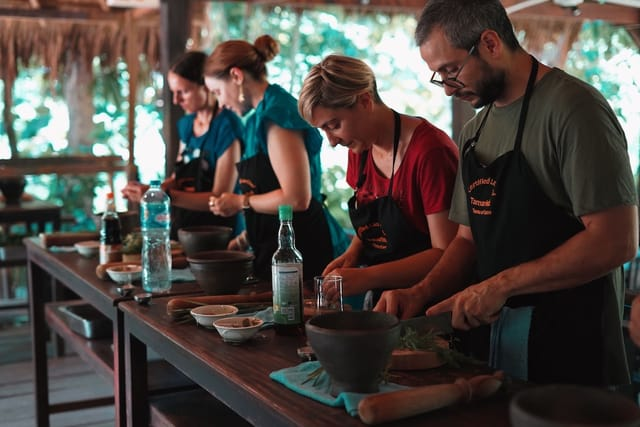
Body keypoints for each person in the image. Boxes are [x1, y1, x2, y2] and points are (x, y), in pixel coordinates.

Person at [375, 0, 638, 386]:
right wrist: (422, 291)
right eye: (438, 76)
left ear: (490, 43)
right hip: (495, 348)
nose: (447, 89)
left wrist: (499, 285)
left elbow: (616, 242)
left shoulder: (574, 109)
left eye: (451, 70)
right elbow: (468, 238)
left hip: (572, 348)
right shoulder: (475, 132)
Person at [297, 54, 459, 308]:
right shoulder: (359, 150)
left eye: (334, 125)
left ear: (364, 101)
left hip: (432, 302)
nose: (332, 141)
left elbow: (447, 253)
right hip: (384, 298)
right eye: (323, 130)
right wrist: (353, 254)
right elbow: (376, 220)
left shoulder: (430, 152)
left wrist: (367, 276)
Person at [203, 35, 350, 281]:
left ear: (236, 76)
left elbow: (296, 199)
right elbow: (269, 190)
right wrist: (247, 237)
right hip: (276, 246)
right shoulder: (255, 120)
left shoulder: (277, 114)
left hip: (305, 248)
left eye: (218, 91)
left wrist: (239, 202)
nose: (220, 103)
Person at [121, 51, 244, 240]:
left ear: (206, 85)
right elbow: (178, 177)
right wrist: (151, 191)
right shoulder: (187, 125)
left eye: (183, 92)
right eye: (174, 93)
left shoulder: (228, 126)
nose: (176, 100)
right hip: (188, 230)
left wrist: (165, 196)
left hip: (221, 234)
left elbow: (220, 197)